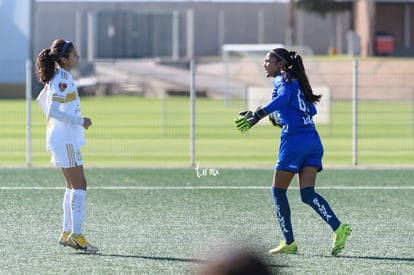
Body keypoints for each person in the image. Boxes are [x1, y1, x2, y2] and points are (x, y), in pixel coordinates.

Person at [234, 48, 351, 256]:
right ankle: (338, 228)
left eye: (268, 60)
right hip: (313, 140)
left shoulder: (283, 80)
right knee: (307, 193)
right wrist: (280, 117)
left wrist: (260, 114)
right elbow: (311, 110)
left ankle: (289, 242)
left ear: (281, 64)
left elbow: (285, 97)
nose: (264, 64)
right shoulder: (296, 81)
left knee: (278, 191)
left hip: (295, 141)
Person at [36, 39, 98, 253]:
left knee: (73, 186)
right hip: (66, 139)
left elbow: (41, 100)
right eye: (74, 54)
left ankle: (66, 232)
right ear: (63, 59)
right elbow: (52, 110)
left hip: (61, 138)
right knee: (80, 186)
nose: (78, 56)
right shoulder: (62, 77)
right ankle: (77, 236)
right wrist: (81, 121)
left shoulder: (59, 76)